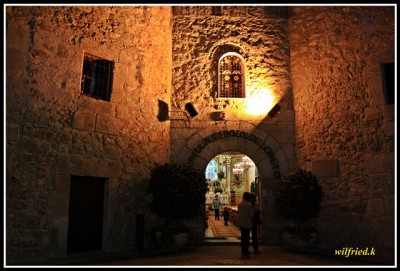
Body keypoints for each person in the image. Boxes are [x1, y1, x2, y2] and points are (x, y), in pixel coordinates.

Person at [237, 192, 254, 256]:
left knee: (243, 237)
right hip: (247, 223)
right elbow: (251, 215)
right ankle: (246, 250)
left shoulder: (240, 204)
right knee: (246, 237)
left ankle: (243, 250)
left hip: (241, 223)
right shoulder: (249, 205)